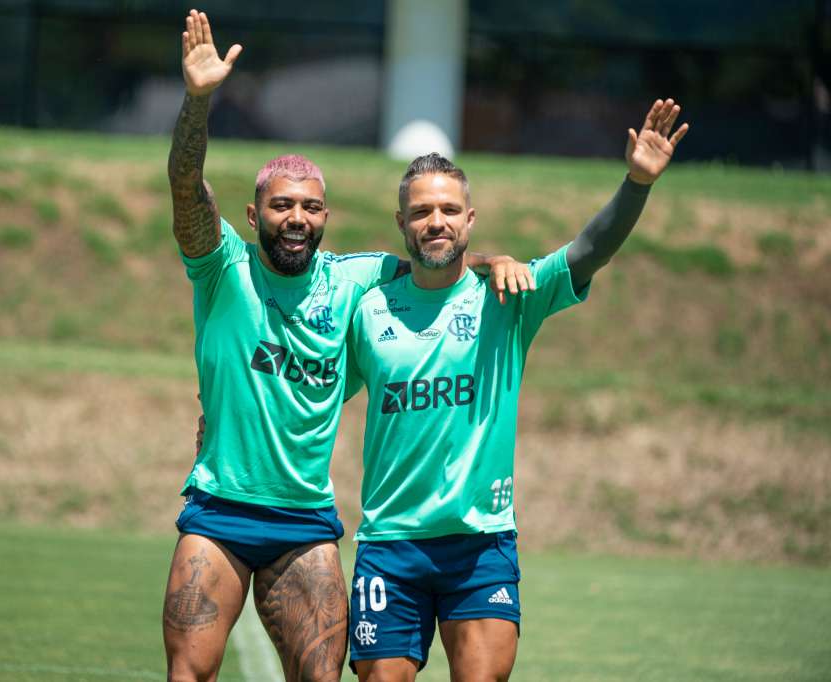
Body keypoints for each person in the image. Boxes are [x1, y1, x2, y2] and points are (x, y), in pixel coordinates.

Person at [164, 10, 530, 682]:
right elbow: (187, 188)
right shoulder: (221, 268)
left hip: (304, 518)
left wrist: (492, 260)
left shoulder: (360, 279)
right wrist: (198, 101)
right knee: (189, 673)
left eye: (309, 207)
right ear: (254, 216)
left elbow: (438, 260)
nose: (296, 218)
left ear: (325, 216)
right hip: (218, 512)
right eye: (281, 206)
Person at [344, 100, 689, 681]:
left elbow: (586, 252)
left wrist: (636, 184)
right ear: (401, 222)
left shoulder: (510, 294)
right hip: (389, 542)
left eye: (449, 210)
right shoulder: (368, 308)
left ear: (470, 219)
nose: (436, 222)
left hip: (480, 545)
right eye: (422, 211)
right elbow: (317, 388)